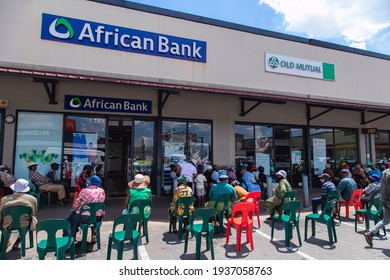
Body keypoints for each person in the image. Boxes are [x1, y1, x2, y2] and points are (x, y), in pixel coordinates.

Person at [65, 175, 105, 241]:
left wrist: (75, 208)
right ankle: (94, 234)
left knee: (69, 220)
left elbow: (77, 203)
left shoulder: (84, 191)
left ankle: (69, 239)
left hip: (85, 217)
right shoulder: (102, 191)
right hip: (98, 217)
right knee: (79, 216)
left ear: (90, 183)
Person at [0, 179, 37, 250]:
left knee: (3, 221)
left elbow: (1, 213)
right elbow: (33, 212)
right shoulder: (32, 199)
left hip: (7, 224)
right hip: (24, 224)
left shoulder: (5, 199)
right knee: (32, 220)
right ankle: (18, 241)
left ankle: (6, 241)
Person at [364, 165, 390, 247]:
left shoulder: (385, 172)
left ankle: (370, 233)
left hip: (384, 199)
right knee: (385, 220)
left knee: (385, 220)